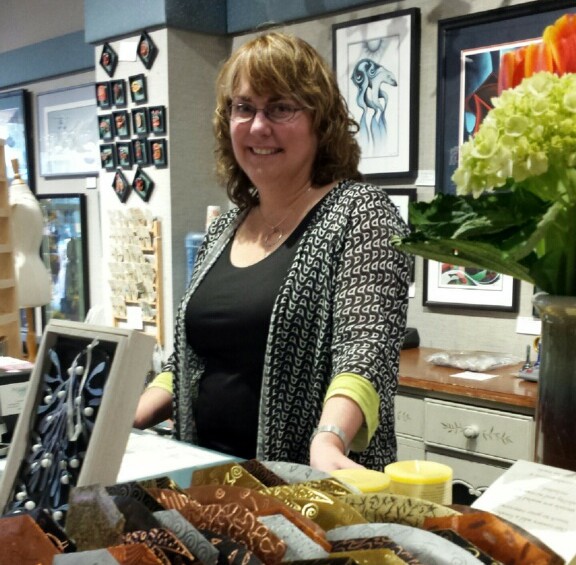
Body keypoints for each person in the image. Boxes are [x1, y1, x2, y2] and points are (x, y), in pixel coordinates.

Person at [134, 31, 411, 472]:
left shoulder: (361, 214)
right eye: (244, 108)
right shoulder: (224, 228)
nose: (259, 126)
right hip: (206, 480)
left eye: (281, 108)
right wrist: (126, 415)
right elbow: (189, 359)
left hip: (306, 485)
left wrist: (330, 439)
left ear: (321, 121)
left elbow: (365, 349)